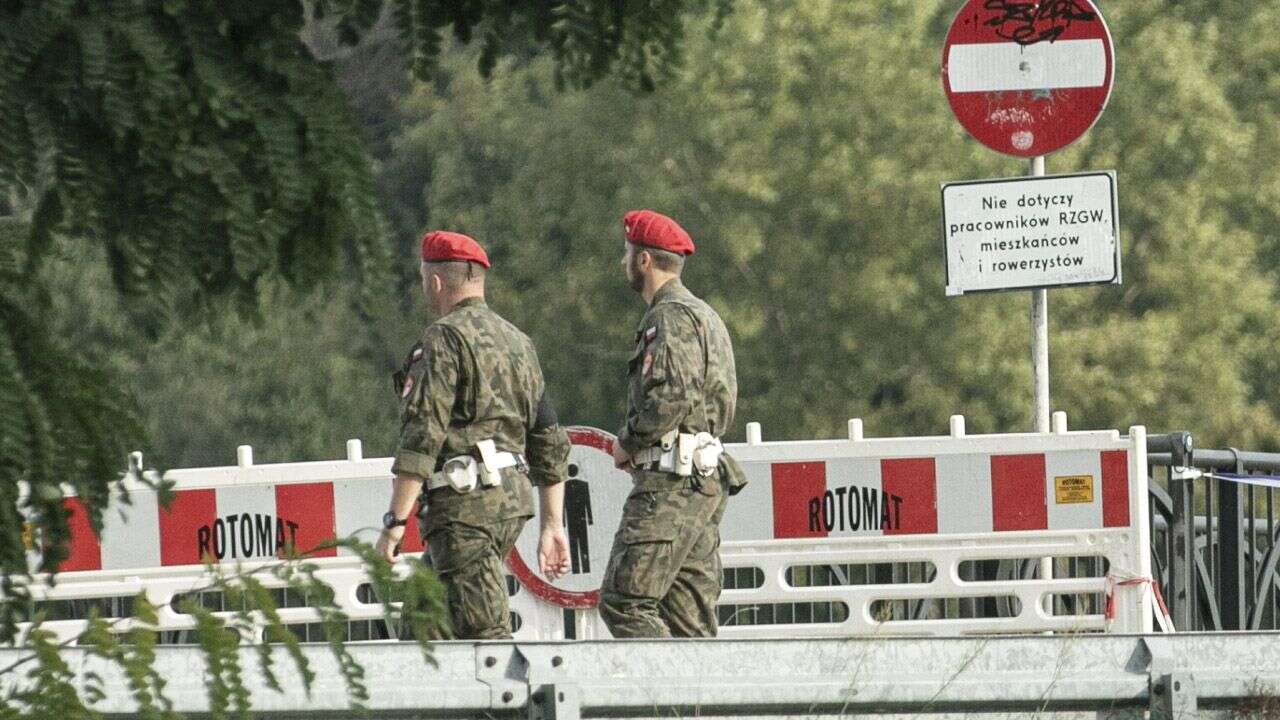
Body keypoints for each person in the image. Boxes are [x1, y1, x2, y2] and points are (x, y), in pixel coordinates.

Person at [376, 230, 571, 640]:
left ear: (435, 281)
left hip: (465, 510)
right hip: (510, 501)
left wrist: (395, 523)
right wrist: (553, 522)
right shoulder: (519, 342)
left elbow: (421, 436)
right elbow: (548, 435)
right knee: (424, 631)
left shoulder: (443, 338)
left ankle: (505, 706)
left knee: (485, 637)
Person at [599, 209, 738, 638]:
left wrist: (629, 441)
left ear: (643, 260)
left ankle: (660, 704)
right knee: (688, 622)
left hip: (671, 485)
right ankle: (698, 705)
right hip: (699, 480)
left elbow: (671, 397)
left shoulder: (669, 317)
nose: (623, 262)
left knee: (625, 604)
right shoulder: (704, 315)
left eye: (627, 253)